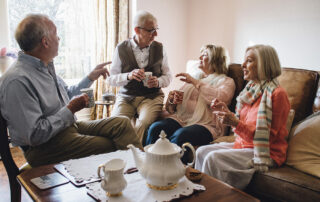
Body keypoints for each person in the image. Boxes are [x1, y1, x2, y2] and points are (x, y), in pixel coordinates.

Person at [0, 14, 141, 167]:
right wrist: (70, 109)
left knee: (122, 124)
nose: (59, 39)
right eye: (55, 34)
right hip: (42, 148)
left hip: (67, 129)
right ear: (45, 42)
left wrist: (89, 77)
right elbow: (34, 135)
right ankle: (134, 179)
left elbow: (65, 94)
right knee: (108, 145)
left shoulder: (44, 66)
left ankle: (142, 171)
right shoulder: (17, 81)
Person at [195, 44, 290, 189]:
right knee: (201, 151)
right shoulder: (251, 90)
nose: (243, 65)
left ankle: (215, 197)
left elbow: (268, 137)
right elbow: (243, 123)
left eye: (249, 61)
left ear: (264, 65)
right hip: (244, 144)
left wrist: (235, 123)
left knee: (213, 158)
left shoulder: (277, 94)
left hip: (265, 151)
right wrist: (227, 112)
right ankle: (201, 193)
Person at [146, 44, 236, 163]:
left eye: (204, 55)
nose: (199, 57)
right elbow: (172, 108)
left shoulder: (226, 81)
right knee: (155, 128)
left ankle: (171, 171)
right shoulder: (195, 77)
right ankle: (148, 164)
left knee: (181, 136)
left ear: (216, 59)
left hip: (207, 125)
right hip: (182, 120)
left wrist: (196, 83)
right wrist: (173, 100)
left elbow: (220, 98)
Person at [107, 10, 172, 142]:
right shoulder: (121, 48)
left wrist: (158, 82)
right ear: (137, 30)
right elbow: (111, 79)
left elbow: (168, 76)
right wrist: (128, 76)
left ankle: (135, 158)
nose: (156, 34)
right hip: (126, 97)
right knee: (115, 124)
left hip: (151, 97)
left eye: (156, 29)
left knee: (142, 124)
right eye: (151, 30)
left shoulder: (160, 48)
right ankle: (119, 156)